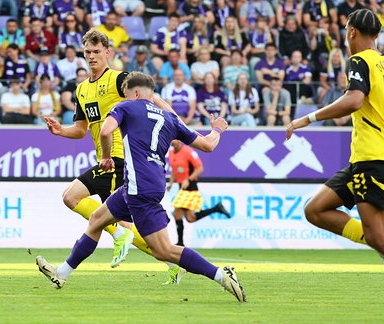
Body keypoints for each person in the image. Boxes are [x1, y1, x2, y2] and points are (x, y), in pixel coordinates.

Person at [36, 72, 246, 303]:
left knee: (164, 251)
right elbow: (207, 145)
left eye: (125, 95)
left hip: (139, 187)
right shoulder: (170, 118)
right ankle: (61, 274)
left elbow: (105, 130)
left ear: (135, 93)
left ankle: (221, 274)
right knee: (97, 219)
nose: (123, 98)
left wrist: (106, 157)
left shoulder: (127, 107)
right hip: (147, 183)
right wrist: (217, 129)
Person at [43, 29, 188, 283]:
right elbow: (80, 130)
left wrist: (177, 123)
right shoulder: (81, 90)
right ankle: (172, 262)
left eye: (97, 52)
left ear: (108, 52)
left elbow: (151, 97)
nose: (91, 56)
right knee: (127, 227)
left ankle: (108, 242)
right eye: (87, 52)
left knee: (72, 197)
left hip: (121, 158)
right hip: (105, 158)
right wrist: (60, 131)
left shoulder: (118, 79)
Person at [286, 9, 384, 265]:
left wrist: (307, 118)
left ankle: (378, 240)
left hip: (373, 158)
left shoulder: (359, 61)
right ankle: (377, 240)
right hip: (367, 160)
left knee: (379, 236)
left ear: (351, 32)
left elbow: (354, 100)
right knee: (316, 209)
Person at [167, 139, 231, 247]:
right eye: (172, 141)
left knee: (177, 213)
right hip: (181, 187)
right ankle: (216, 208)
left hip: (190, 186)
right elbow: (174, 170)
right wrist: (171, 183)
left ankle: (180, 243)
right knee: (190, 218)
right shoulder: (172, 153)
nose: (174, 143)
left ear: (180, 141)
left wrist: (189, 179)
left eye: (176, 141)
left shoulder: (188, 152)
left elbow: (200, 168)